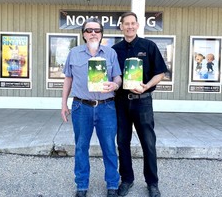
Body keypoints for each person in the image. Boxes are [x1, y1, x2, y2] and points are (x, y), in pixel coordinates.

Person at [61, 17, 122, 197]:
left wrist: (115, 85)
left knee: (109, 147)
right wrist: (63, 103)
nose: (93, 33)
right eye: (89, 30)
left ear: (102, 34)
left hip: (106, 107)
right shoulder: (74, 53)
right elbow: (68, 79)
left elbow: (118, 76)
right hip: (81, 107)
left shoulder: (110, 53)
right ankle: (81, 186)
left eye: (97, 30)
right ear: (84, 34)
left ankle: (112, 184)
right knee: (81, 147)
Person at [112, 12, 167, 197]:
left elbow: (160, 72)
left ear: (137, 25)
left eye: (132, 23)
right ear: (121, 26)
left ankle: (152, 183)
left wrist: (147, 86)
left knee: (148, 144)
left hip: (142, 102)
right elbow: (113, 75)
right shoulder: (115, 50)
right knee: (122, 142)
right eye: (126, 23)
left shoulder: (148, 46)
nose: (129, 26)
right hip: (120, 103)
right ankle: (127, 179)